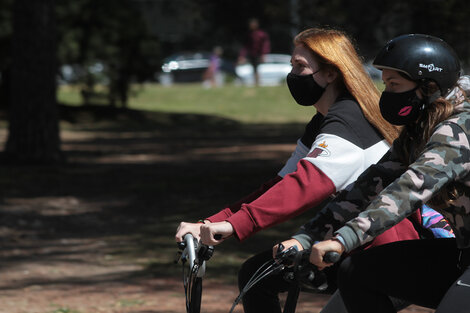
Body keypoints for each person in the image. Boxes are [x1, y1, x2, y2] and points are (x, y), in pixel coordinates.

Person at [175, 28, 450, 313]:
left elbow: (308, 184)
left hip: (384, 250)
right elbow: (281, 183)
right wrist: (214, 221)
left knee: (262, 276)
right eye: (292, 65)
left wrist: (235, 225)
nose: (293, 75)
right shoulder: (323, 122)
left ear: (330, 73)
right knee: (257, 276)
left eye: (300, 66)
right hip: (347, 244)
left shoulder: (349, 118)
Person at [301, 34, 470, 313]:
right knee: (358, 272)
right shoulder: (424, 125)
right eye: (386, 84)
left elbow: (408, 190)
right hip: (462, 254)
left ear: (428, 87)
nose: (387, 93)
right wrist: (307, 237)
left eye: (394, 84)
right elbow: (373, 182)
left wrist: (345, 239)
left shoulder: (457, 131)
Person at [238, 18, 270, 86]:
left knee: (257, 68)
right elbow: (246, 46)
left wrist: (263, 54)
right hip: (251, 54)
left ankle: (258, 82)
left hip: (259, 54)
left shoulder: (261, 34)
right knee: (253, 68)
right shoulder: (249, 34)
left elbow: (265, 45)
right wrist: (242, 55)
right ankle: (255, 82)